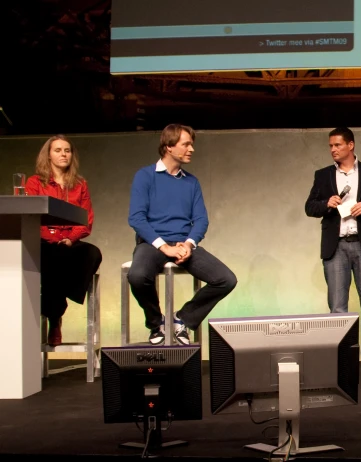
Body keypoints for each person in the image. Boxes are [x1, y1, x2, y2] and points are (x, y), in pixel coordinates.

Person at [127, 124, 237, 345]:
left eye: (191, 144)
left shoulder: (191, 182)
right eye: (186, 144)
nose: (191, 149)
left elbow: (201, 220)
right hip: (154, 244)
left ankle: (182, 319)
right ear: (168, 146)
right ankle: (156, 322)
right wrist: (164, 246)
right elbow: (136, 218)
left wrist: (188, 244)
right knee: (137, 276)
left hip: (183, 242)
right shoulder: (145, 176)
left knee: (226, 280)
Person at [305, 127, 361, 372]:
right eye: (331, 146)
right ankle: (341, 357)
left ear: (351, 145)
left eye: (337, 145)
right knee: (337, 305)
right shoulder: (322, 175)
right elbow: (309, 207)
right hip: (336, 247)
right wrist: (326, 204)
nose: (333, 149)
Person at [25, 135, 102, 346]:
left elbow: (86, 219)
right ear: (48, 155)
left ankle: (53, 307)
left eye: (67, 150)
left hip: (69, 242)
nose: (63, 154)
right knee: (52, 257)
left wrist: (70, 238)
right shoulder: (34, 183)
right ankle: (55, 317)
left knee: (92, 253)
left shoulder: (79, 184)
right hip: (43, 243)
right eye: (58, 150)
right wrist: (53, 237)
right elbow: (31, 217)